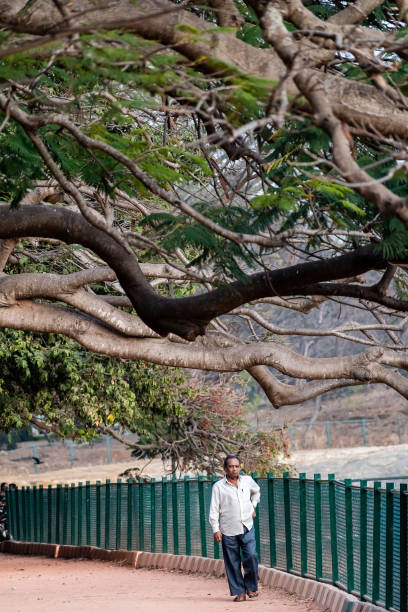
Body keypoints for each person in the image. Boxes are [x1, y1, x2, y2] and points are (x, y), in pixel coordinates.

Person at [209, 455, 260, 602]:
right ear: (225, 469)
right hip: (228, 529)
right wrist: (215, 529)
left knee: (251, 555)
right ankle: (240, 592)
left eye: (236, 466)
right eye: (231, 466)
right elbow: (213, 510)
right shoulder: (218, 487)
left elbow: (256, 491)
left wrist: (253, 506)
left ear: (240, 467)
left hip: (247, 526)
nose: (234, 469)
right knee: (232, 562)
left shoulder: (247, 481)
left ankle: (251, 586)